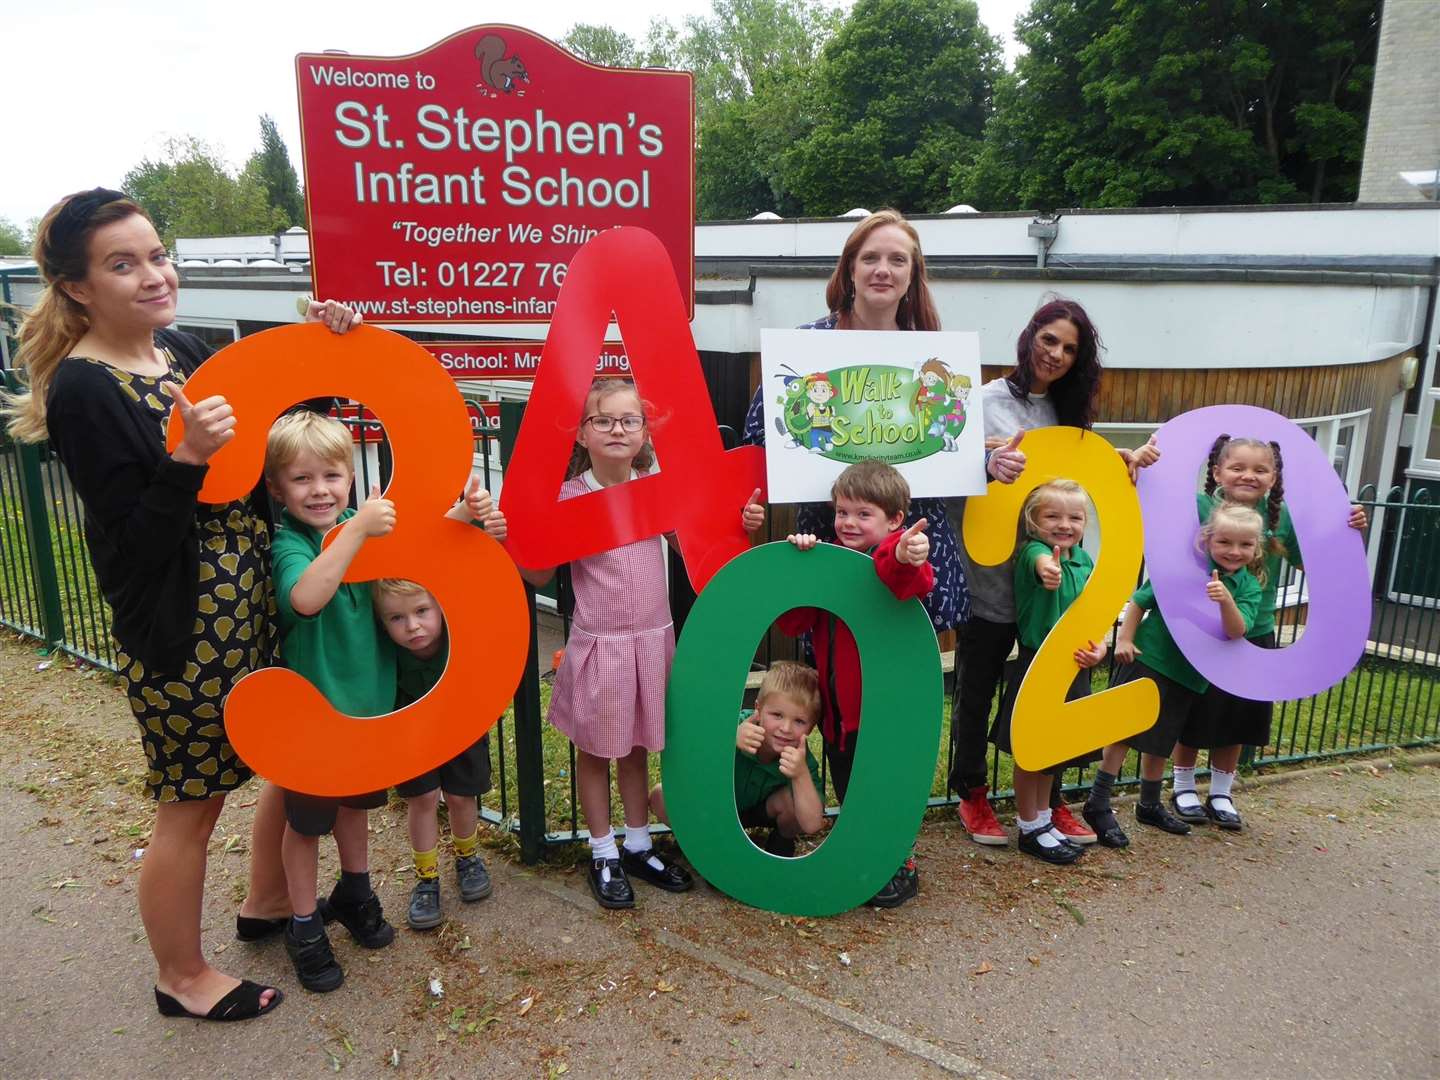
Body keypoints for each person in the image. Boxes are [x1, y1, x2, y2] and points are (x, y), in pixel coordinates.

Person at [0, 188, 359, 1021]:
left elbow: (280, 435)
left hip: (251, 613)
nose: (154, 274)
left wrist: (324, 342)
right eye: (123, 264)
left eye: (157, 254)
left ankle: (268, 902)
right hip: (182, 635)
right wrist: (188, 458)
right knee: (191, 806)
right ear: (79, 288)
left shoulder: (182, 349)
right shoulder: (86, 390)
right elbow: (131, 544)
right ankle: (181, 977)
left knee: (281, 755)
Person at [494, 377, 766, 909]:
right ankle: (603, 850)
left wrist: (744, 522)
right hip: (603, 646)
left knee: (638, 745)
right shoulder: (571, 498)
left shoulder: (656, 485)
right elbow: (539, 573)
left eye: (629, 420)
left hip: (651, 641)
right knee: (597, 752)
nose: (617, 430)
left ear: (645, 431)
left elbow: (701, 540)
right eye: (604, 420)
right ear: (581, 433)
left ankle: (638, 843)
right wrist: (506, 539)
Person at [743, 209, 1027, 645]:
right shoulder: (805, 350)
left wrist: (990, 461)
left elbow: (946, 441)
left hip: (914, 544)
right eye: (870, 258)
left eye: (897, 260)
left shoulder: (932, 356)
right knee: (837, 673)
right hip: (834, 537)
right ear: (850, 269)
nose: (882, 270)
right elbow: (761, 437)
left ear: (912, 276)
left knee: (905, 674)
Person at [952, 297, 1160, 848]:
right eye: (1049, 340)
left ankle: (1052, 799)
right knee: (977, 692)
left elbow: (1074, 482)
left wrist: (1119, 463)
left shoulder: (1068, 414)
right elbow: (950, 470)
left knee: (1062, 690)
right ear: (1029, 337)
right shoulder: (982, 402)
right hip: (992, 581)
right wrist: (984, 456)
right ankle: (971, 793)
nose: (1056, 355)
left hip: (1056, 598)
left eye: (1070, 348)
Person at [1169, 436, 1368, 829]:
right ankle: (1183, 784)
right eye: (1238, 467)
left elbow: (1314, 560)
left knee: (1240, 712)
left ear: (1274, 476)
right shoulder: (1199, 506)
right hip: (1201, 626)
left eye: (1260, 469)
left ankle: (1222, 791)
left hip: (1255, 627)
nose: (1248, 475)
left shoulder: (1281, 517)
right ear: (1217, 473)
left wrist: (1349, 531)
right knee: (1196, 709)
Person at [781, 461, 935, 906]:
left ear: (894, 522)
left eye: (863, 514)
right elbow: (794, 622)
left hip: (883, 715)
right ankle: (863, 860)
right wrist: (800, 567)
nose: (849, 522)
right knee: (851, 791)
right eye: (842, 512)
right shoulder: (830, 561)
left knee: (886, 794)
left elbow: (906, 578)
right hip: (840, 716)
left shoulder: (890, 556)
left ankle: (899, 864)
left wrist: (906, 554)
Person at [1082, 503, 1265, 847]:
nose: (1234, 551)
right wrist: (1124, 639)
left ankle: (1149, 803)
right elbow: (1140, 601)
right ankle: (1098, 802)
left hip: (1190, 673)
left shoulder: (1249, 588)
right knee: (1122, 732)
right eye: (1225, 542)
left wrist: (1226, 601)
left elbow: (1236, 631)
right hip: (1149, 658)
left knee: (1162, 739)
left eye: (1245, 545)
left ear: (1256, 549)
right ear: (1208, 540)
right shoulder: (1185, 569)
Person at [994, 480, 1107, 864]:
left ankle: (1044, 820)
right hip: (1038, 662)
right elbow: (1041, 565)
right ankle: (1029, 827)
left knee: (1053, 749)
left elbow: (1092, 613)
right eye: (1052, 516)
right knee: (1032, 750)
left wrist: (1100, 645)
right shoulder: (1035, 552)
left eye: (1075, 517)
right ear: (1032, 520)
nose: (1065, 524)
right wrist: (1049, 570)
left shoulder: (1085, 560)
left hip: (1072, 666)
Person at [373, 578, 495, 929]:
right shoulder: (387, 651)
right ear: (383, 623)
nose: (412, 626)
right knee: (422, 798)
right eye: (396, 618)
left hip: (461, 725)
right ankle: (426, 878)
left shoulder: (459, 637)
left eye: (422, 611)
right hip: (410, 733)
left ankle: (468, 858)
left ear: (440, 607)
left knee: (461, 796)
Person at [649, 661, 825, 858]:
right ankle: (706, 845)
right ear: (758, 709)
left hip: (764, 811)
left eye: (799, 721)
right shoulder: (736, 725)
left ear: (811, 728)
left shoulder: (801, 758)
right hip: (714, 809)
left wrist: (800, 775)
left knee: (795, 801)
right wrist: (728, 740)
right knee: (660, 796)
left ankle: (781, 841)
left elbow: (812, 824)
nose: (786, 728)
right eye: (777, 715)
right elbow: (689, 758)